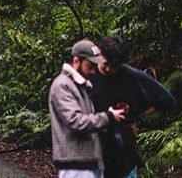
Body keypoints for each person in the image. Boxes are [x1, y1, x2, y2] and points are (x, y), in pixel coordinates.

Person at [89, 35, 176, 178]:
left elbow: (167, 100)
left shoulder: (130, 76)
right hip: (93, 155)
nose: (109, 69)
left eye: (114, 66)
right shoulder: (87, 73)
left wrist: (134, 116)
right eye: (106, 63)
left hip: (123, 154)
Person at [49, 39, 128, 178]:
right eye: (90, 66)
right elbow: (76, 121)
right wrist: (108, 117)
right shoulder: (62, 85)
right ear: (76, 61)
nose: (93, 71)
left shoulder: (81, 85)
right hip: (75, 164)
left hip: (90, 161)